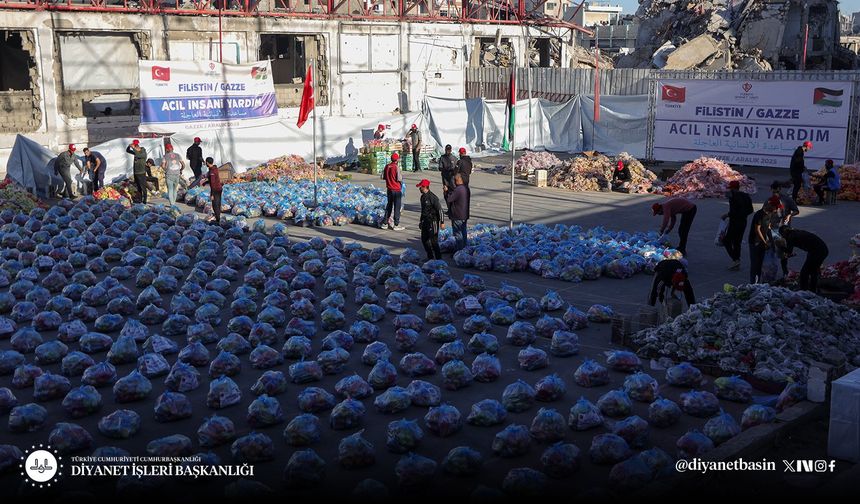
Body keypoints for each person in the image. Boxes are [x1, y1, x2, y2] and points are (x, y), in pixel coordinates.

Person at [779, 226, 829, 292]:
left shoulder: (791, 236)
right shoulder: (795, 232)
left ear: (784, 233)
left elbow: (789, 251)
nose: (782, 237)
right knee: (813, 271)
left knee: (804, 272)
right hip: (821, 249)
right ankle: (812, 289)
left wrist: (779, 246)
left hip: (817, 251)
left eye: (782, 235)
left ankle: (804, 290)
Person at [721, 180, 753, 270]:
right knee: (737, 242)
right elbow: (750, 210)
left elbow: (734, 211)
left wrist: (727, 215)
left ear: (733, 188)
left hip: (735, 222)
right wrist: (743, 215)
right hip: (743, 222)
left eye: (730, 188)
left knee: (726, 241)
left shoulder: (733, 197)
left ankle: (736, 259)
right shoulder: (746, 196)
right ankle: (736, 262)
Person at [748, 199, 778, 284]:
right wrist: (765, 242)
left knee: (761, 264)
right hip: (755, 242)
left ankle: (758, 283)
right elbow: (757, 230)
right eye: (775, 207)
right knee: (755, 265)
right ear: (770, 206)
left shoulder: (770, 214)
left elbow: (768, 228)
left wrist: (772, 242)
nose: (776, 210)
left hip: (762, 242)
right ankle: (753, 283)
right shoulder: (759, 214)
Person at [417, 179, 445, 260]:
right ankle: (430, 256)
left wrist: (442, 222)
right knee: (424, 239)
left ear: (425, 187)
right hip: (425, 221)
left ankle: (439, 259)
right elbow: (423, 211)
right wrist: (421, 221)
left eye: (420, 187)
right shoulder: (422, 197)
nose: (419, 189)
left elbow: (440, 210)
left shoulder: (433, 197)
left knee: (434, 241)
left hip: (433, 221)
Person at [381, 152, 405, 231]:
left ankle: (385, 223)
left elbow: (383, 177)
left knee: (389, 206)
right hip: (396, 190)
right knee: (397, 207)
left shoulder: (387, 166)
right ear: (397, 160)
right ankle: (396, 224)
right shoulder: (396, 167)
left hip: (389, 189)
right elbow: (399, 178)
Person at [447, 173, 470, 252]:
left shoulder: (458, 190)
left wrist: (447, 192)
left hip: (457, 215)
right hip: (464, 214)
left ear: (457, 180)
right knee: (463, 231)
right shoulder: (466, 188)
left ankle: (459, 251)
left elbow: (449, 199)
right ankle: (464, 249)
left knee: (458, 234)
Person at [202, 157, 222, 224]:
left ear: (207, 163)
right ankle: (218, 218)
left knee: (215, 205)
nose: (205, 163)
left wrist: (212, 194)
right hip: (219, 188)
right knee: (218, 204)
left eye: (206, 162)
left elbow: (213, 183)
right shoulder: (214, 168)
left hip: (215, 189)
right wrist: (205, 182)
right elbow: (212, 180)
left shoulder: (212, 171)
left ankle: (218, 220)